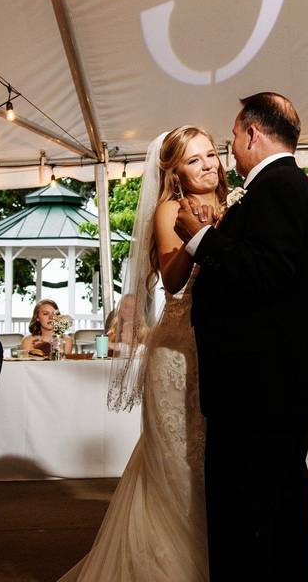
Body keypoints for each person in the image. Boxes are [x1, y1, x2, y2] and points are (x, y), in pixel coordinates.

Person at [60, 125, 229, 581]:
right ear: (174, 172)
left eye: (211, 154)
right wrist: (197, 236)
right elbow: (173, 281)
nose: (208, 165)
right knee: (177, 463)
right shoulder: (169, 210)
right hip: (176, 353)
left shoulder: (233, 203)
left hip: (220, 351)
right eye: (194, 160)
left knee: (210, 462)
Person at [177, 92, 308, 580]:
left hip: (255, 387)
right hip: (273, 383)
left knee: (243, 517)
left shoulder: (279, 188)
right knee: (280, 510)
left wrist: (200, 239)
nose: (229, 150)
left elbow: (268, 273)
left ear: (250, 133)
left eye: (231, 137)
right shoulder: (290, 186)